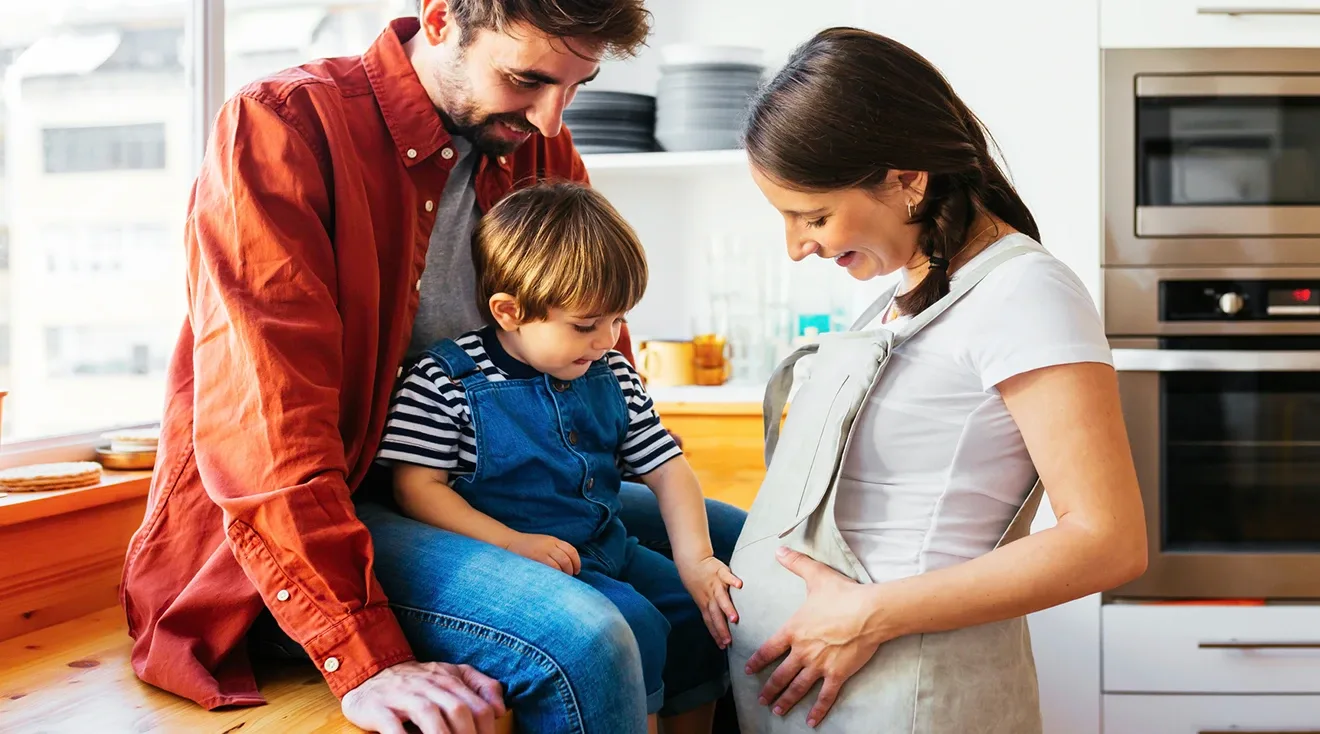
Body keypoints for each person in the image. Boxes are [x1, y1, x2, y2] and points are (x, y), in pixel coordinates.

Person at [117, 3, 747, 733]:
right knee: (590, 638)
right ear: (442, 17)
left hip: (497, 482)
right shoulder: (283, 125)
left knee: (750, 550)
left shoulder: (535, 142)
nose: (551, 120)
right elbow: (269, 431)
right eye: (527, 80)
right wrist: (366, 658)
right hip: (335, 512)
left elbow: (594, 360)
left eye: (577, 86)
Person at [726, 27, 1147, 731]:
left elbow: (1108, 540)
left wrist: (866, 615)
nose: (798, 247)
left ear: (907, 180)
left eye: (814, 216)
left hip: (910, 696)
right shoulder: (911, 291)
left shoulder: (1027, 293)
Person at [378, 182, 741, 734]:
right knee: (636, 625)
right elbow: (416, 489)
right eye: (585, 325)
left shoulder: (612, 372)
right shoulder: (443, 380)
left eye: (618, 320)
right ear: (509, 311)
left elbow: (668, 470)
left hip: (607, 545)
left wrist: (697, 560)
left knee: (696, 612)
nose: (606, 340)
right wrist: (513, 543)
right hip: (519, 560)